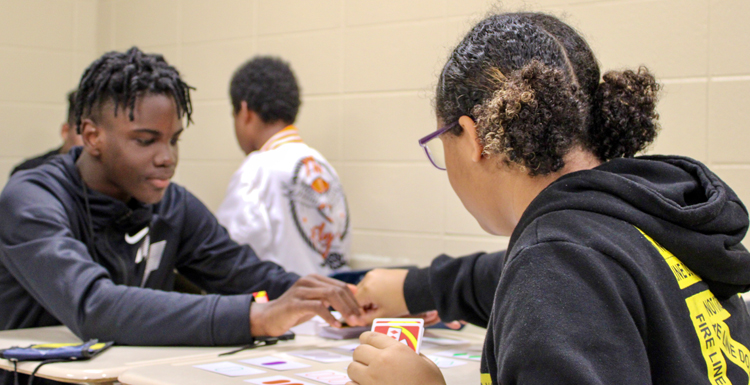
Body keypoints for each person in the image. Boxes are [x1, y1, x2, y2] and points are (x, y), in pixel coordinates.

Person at [348, 12, 750, 385]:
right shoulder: (636, 218)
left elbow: (551, 281)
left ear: (474, 140)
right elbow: (520, 277)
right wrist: (415, 287)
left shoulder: (555, 264)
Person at [0, 47, 363, 384]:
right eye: (146, 140)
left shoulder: (172, 203)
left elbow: (244, 273)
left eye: (174, 139)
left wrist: (336, 299)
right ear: (93, 137)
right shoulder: (30, 199)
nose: (167, 157)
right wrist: (256, 316)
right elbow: (96, 306)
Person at [216, 56, 351, 276]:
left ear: (244, 111)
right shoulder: (322, 165)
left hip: (284, 302)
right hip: (333, 302)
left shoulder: (256, 170)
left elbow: (229, 251)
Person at [10, 90, 84, 176]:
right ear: (65, 131)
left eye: (95, 134)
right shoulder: (29, 172)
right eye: (84, 133)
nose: (91, 141)